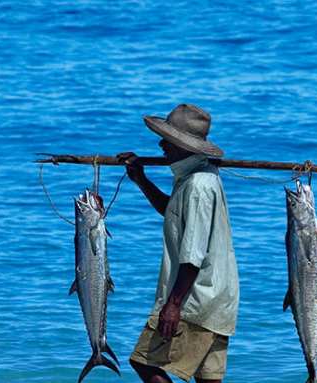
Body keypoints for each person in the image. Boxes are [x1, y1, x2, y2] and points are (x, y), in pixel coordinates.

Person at [116, 104, 239, 383]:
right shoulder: (200, 176)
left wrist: (173, 305)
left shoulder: (197, 186)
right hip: (217, 299)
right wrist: (142, 180)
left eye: (168, 140)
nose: (161, 144)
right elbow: (173, 210)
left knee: (145, 363)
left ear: (186, 145)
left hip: (194, 300)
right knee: (208, 380)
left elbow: (193, 254)